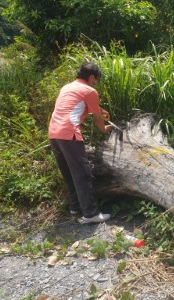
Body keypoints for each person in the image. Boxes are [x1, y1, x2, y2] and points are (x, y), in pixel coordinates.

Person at [48, 62, 113, 224]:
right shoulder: (90, 90)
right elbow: (97, 117)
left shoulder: (67, 87)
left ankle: (75, 207)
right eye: (96, 79)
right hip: (69, 134)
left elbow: (80, 106)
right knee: (83, 174)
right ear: (91, 77)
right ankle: (90, 214)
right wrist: (104, 129)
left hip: (54, 133)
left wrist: (99, 109)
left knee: (69, 174)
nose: (96, 82)